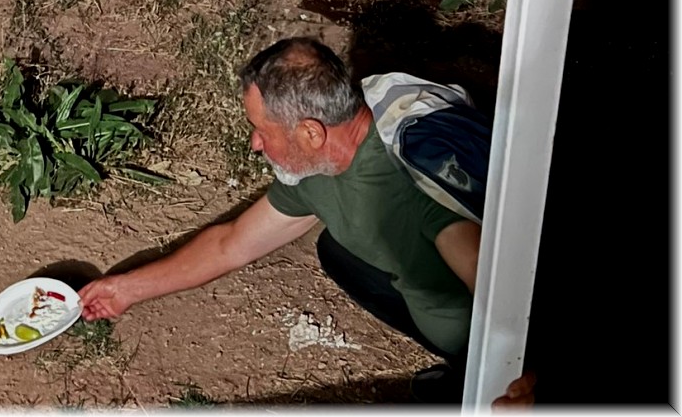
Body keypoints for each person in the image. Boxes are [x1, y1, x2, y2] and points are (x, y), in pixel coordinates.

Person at [78, 37, 535, 406]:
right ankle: (461, 367)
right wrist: (124, 290)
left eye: (263, 131)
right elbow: (231, 244)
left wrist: (525, 382)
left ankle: (471, 374)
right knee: (336, 252)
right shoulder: (316, 166)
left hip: (485, 337)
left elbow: (509, 294)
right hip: (429, 295)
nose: (255, 144)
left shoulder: (414, 188)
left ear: (311, 132)